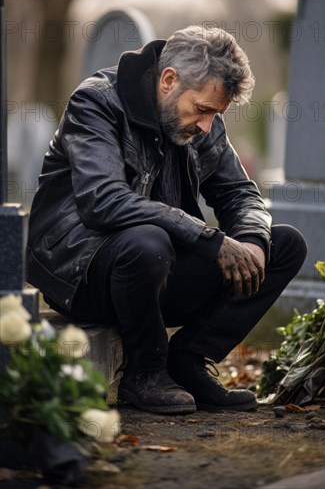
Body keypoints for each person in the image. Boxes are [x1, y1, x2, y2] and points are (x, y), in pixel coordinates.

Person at [26, 26, 307, 415]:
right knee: (148, 241)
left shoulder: (202, 123)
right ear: (169, 80)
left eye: (215, 114)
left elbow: (240, 195)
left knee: (284, 244)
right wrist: (208, 238)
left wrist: (253, 244)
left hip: (157, 270)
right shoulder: (97, 103)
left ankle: (189, 360)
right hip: (81, 273)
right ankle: (145, 372)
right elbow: (103, 201)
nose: (207, 125)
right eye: (203, 110)